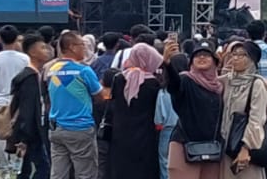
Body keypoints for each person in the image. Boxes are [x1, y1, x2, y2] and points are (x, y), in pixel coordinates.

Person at [46, 32, 105, 179]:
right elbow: (100, 96)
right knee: (85, 173)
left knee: (58, 173)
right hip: (80, 128)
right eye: (82, 45)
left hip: (56, 127)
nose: (84, 48)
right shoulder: (84, 70)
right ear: (72, 47)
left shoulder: (51, 70)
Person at [161, 40, 223, 179]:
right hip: (185, 145)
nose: (201, 58)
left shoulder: (219, 85)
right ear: (191, 62)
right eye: (197, 55)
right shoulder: (186, 80)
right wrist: (167, 64)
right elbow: (174, 85)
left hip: (212, 148)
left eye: (206, 55)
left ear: (215, 61)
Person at [108, 43, 164, 179]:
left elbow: (113, 103)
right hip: (146, 132)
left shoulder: (119, 78)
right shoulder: (154, 83)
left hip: (121, 131)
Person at [217, 41, 267, 179]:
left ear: (252, 59)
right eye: (234, 54)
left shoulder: (257, 84)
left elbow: (256, 120)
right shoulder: (227, 81)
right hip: (226, 146)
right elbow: (208, 82)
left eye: (242, 55)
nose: (236, 58)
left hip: (246, 147)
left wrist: (246, 148)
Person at [0, 26, 29, 175]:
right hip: (19, 100)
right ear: (16, 38)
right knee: (19, 135)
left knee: (1, 136)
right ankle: (17, 165)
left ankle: (4, 169)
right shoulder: (25, 59)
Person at [9, 34, 53, 179]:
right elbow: (27, 109)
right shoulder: (29, 78)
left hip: (33, 129)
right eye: (42, 48)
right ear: (32, 52)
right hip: (31, 131)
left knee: (27, 169)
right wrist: (24, 137)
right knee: (43, 168)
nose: (47, 51)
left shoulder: (36, 74)